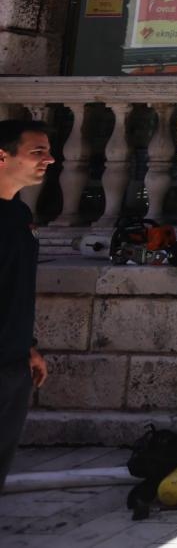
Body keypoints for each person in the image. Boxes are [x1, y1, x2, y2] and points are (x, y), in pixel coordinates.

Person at [0, 119, 53, 492]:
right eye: (37, 152)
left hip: (13, 363)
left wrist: (28, 345)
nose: (49, 160)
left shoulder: (19, 215)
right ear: (2, 157)